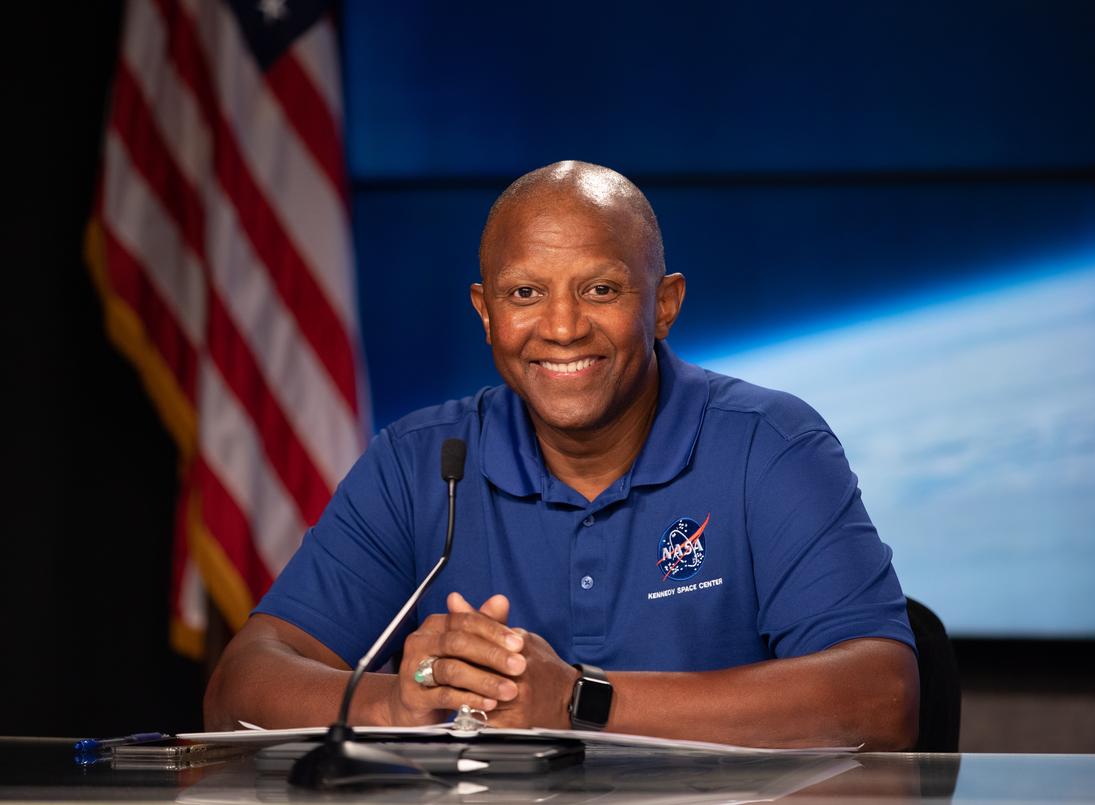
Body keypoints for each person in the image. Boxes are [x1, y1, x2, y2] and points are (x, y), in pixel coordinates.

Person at [204, 161, 919, 749]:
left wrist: (580, 699)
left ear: (664, 304)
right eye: (526, 293)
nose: (563, 326)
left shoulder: (770, 445)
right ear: (487, 313)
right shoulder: (420, 462)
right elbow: (239, 685)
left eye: (600, 289)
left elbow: (882, 699)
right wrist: (398, 701)